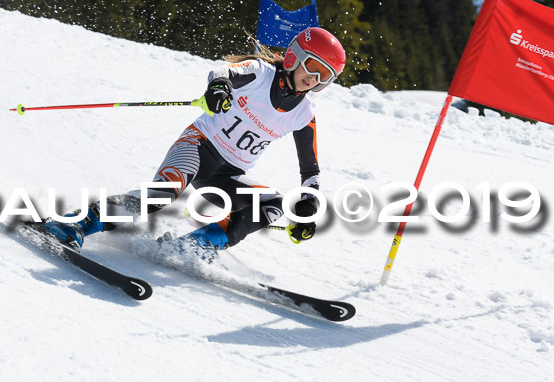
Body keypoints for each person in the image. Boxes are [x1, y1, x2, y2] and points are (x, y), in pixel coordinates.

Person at [43, 27, 346, 257]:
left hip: (227, 176)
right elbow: (222, 71)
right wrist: (220, 87)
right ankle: (75, 223)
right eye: (312, 66)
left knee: (276, 203)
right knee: (162, 194)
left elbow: (312, 172)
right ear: (294, 55)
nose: (314, 78)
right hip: (199, 146)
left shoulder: (305, 113)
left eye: (325, 76)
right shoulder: (261, 73)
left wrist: (308, 205)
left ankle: (195, 247)